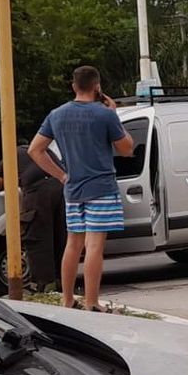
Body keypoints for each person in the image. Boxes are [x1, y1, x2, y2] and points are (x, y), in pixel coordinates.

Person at [29, 66, 134, 311]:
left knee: (73, 244)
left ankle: (67, 298)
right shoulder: (105, 114)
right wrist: (114, 114)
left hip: (73, 189)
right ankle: (92, 301)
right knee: (95, 245)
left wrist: (61, 175)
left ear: (74, 86)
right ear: (97, 87)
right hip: (102, 187)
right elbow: (127, 149)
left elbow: (35, 149)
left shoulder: (56, 115)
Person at [0, 142, 67, 293]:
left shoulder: (11, 154)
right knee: (60, 236)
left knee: (37, 237)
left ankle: (43, 285)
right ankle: (62, 282)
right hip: (61, 189)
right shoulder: (46, 151)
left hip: (38, 193)